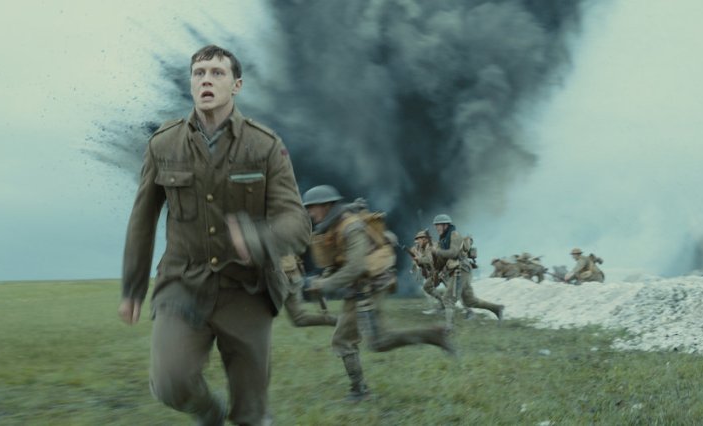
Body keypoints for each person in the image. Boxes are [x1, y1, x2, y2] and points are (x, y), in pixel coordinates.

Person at [118, 45, 311, 426]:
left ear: (236, 85)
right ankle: (211, 414)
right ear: (191, 84)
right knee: (170, 383)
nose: (206, 79)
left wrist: (258, 240)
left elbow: (297, 221)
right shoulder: (163, 144)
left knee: (251, 412)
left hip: (248, 290)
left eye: (217, 73)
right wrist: (132, 287)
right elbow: (143, 217)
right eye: (199, 72)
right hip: (183, 283)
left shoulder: (266, 145)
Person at [301, 185, 454, 402]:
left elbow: (355, 267)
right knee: (344, 339)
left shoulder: (350, 227)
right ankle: (359, 391)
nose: (310, 213)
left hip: (368, 287)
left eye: (312, 208)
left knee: (378, 341)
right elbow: (340, 261)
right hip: (358, 286)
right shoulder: (334, 225)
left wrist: (323, 285)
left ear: (326, 206)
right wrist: (325, 278)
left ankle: (433, 335)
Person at [430, 214, 504, 327]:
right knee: (470, 301)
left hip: (460, 269)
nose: (437, 228)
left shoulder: (454, 235)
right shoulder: (444, 239)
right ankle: (497, 309)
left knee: (448, 298)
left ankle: (448, 327)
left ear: (445, 225)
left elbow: (453, 253)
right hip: (459, 270)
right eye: (436, 226)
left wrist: (437, 251)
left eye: (438, 225)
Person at [280, 254, 337, 327]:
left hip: (283, 275)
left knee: (299, 319)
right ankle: (335, 320)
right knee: (299, 319)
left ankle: (337, 321)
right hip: (291, 273)